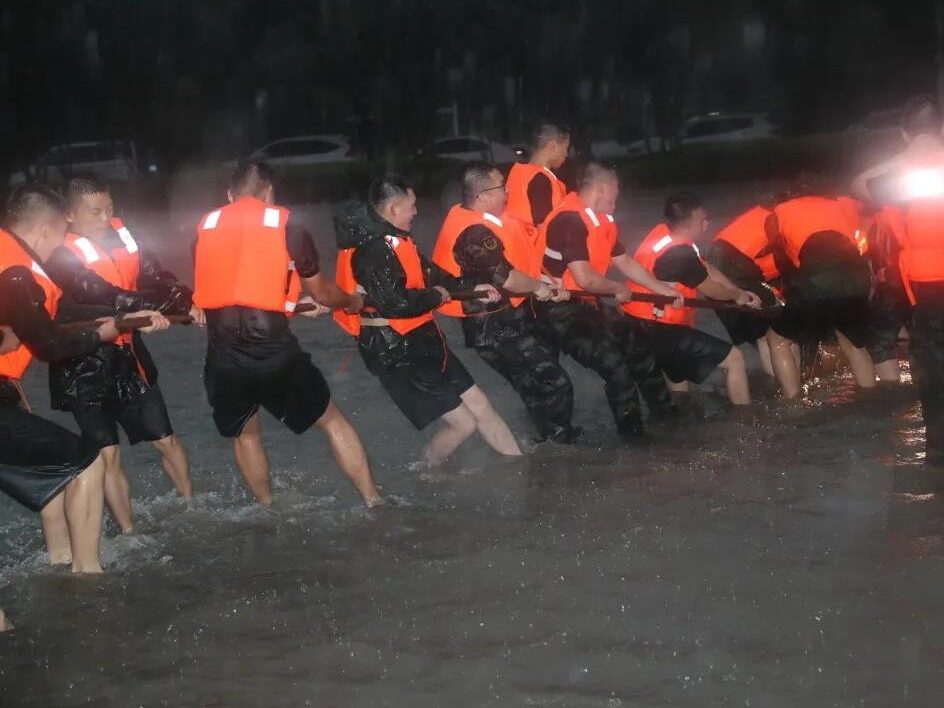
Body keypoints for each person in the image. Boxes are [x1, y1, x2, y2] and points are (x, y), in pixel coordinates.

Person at [193, 162, 382, 506]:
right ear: (268, 192)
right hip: (273, 352)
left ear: (229, 196)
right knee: (333, 421)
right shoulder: (289, 230)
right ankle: (372, 499)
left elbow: (228, 287)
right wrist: (352, 301)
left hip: (222, 356)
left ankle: (267, 508)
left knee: (246, 435)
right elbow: (324, 293)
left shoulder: (206, 230)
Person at [334, 174, 522, 465]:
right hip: (395, 350)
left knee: (481, 405)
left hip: (423, 338)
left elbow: (434, 276)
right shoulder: (373, 251)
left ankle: (522, 469)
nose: (416, 212)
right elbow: (395, 303)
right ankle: (425, 474)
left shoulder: (398, 241)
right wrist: (436, 296)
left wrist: (472, 290)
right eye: (411, 205)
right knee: (464, 424)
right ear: (394, 209)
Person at [42, 176, 194, 534]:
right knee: (108, 453)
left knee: (166, 439)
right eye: (95, 211)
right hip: (81, 363)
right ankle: (129, 532)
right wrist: (140, 309)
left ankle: (190, 508)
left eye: (109, 208)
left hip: (128, 355)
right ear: (68, 215)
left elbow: (155, 272)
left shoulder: (124, 237)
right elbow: (91, 288)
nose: (105, 217)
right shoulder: (57, 254)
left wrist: (181, 299)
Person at [0, 184, 134, 576]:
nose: (60, 248)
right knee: (86, 462)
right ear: (43, 229)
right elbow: (49, 346)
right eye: (60, 237)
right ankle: (88, 576)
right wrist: (103, 334)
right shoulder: (16, 275)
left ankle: (59, 560)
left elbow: (40, 327)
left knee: (55, 469)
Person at [431, 161, 578, 443]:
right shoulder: (474, 234)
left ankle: (550, 445)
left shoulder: (477, 220)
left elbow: (515, 267)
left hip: (503, 322)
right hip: (492, 328)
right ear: (482, 196)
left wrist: (546, 283)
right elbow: (506, 279)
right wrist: (538, 287)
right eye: (502, 188)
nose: (508, 192)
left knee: (533, 388)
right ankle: (562, 446)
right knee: (556, 382)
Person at [534, 161, 682, 438]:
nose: (619, 194)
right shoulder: (570, 221)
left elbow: (624, 261)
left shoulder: (601, 220)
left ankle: (669, 418)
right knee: (616, 367)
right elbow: (584, 279)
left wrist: (662, 289)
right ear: (602, 188)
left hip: (591, 302)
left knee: (640, 353)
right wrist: (616, 288)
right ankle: (634, 438)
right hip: (559, 310)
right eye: (616, 188)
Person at [852, 95, 944, 461]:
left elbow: (860, 184)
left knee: (934, 366)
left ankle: (938, 449)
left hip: (927, 285)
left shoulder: (897, 178)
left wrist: (908, 154)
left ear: (906, 134)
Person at [624, 192, 761, 406]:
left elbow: (705, 267)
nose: (707, 223)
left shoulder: (665, 234)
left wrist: (737, 290)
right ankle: (747, 420)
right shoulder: (678, 255)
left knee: (678, 376)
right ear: (688, 224)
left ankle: (682, 421)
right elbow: (713, 291)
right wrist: (737, 296)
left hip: (641, 324)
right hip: (659, 328)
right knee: (734, 359)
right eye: (702, 220)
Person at [765, 178, 877, 399]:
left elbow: (782, 259)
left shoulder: (779, 212)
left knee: (777, 339)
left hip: (815, 279)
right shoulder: (843, 203)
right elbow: (868, 229)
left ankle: (792, 401)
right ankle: (872, 397)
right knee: (853, 341)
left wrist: (790, 291)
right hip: (857, 276)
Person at [504, 122, 570, 230]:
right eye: (565, 148)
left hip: (519, 242)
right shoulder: (541, 180)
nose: (566, 154)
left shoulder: (518, 172)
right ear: (552, 146)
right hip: (534, 246)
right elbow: (544, 229)